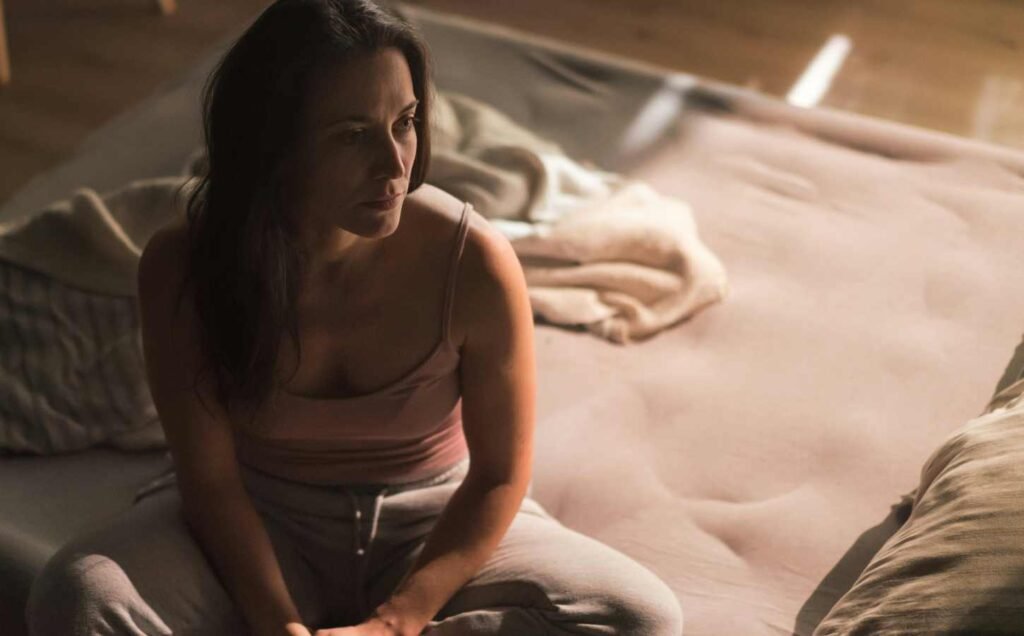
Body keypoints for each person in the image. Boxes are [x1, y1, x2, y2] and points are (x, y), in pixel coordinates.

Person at [26, 1, 683, 634]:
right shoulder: (182, 266)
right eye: (353, 135)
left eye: (406, 122)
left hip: (432, 517)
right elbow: (210, 481)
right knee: (78, 595)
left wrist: (400, 621)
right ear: (273, 143)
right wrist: (279, 623)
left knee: (639, 617)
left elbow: (499, 476)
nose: (396, 164)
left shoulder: (473, 261)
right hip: (258, 516)